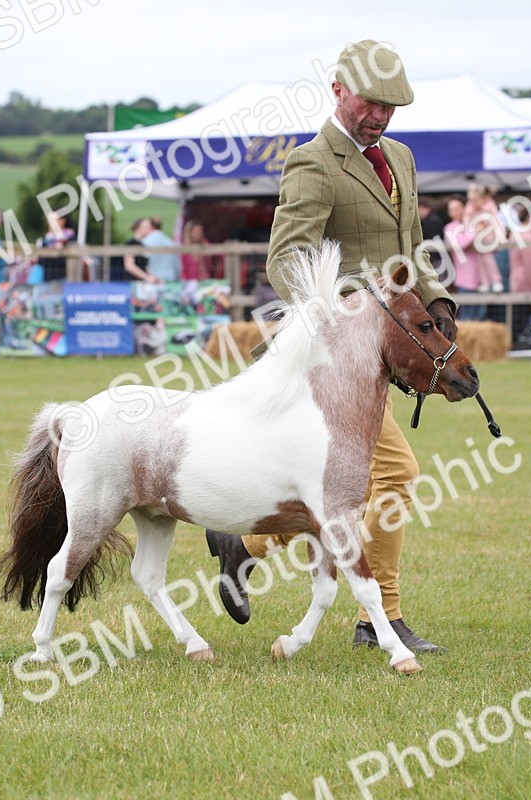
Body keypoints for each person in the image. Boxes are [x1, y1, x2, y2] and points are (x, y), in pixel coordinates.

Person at [204, 39, 457, 655]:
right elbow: (284, 259)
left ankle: (248, 542)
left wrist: (437, 301)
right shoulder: (313, 163)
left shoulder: (399, 157)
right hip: (336, 357)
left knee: (363, 484)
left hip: (388, 354)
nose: (382, 116)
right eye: (373, 103)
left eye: (392, 107)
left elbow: (412, 248)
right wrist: (345, 312)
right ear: (339, 89)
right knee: (395, 476)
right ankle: (380, 620)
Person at [442, 196, 486, 321]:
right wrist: (475, 232)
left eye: (458, 208)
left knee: (481, 316)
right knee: (468, 316)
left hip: (483, 279)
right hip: (465, 279)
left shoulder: (472, 223)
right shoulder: (450, 228)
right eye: (452, 209)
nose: (456, 212)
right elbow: (460, 244)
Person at [465, 184, 505, 292]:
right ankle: (485, 282)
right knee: (480, 260)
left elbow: (495, 221)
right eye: (471, 200)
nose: (473, 202)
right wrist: (471, 230)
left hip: (488, 236)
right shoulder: (470, 207)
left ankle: (496, 280)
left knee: (487, 258)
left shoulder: (489, 206)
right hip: (476, 237)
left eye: (475, 200)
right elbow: (467, 221)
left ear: (482, 198)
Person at [136, 217, 181, 282]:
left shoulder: (144, 242)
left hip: (153, 280)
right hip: (171, 278)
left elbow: (143, 263)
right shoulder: (171, 242)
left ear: (151, 227)